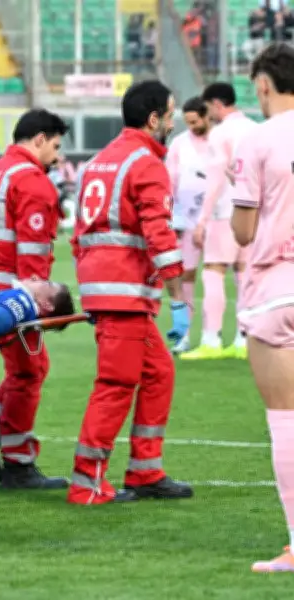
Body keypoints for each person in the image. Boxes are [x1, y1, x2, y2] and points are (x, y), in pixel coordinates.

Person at [68, 80, 193, 505]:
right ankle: (87, 483)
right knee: (116, 383)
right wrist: (178, 298)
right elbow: (159, 234)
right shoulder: (147, 163)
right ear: (154, 119)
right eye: (170, 114)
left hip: (108, 289)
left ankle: (145, 471)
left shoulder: (100, 161)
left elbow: (79, 232)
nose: (173, 123)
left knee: (158, 373)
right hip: (124, 292)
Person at [0, 109, 70, 489]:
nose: (56, 156)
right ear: (39, 139)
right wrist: (36, 305)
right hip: (11, 293)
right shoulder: (32, 182)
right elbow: (34, 257)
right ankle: (18, 462)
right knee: (29, 371)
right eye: (54, 146)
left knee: (27, 369)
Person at [228, 43, 294, 573]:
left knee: (285, 420)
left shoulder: (258, 139)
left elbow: (244, 230)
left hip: (278, 287)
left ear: (264, 85)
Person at [183, 82, 258, 360]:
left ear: (216, 104)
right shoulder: (255, 128)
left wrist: (202, 220)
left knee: (213, 270)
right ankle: (243, 339)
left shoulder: (220, 134)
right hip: (252, 211)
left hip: (224, 212)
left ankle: (211, 340)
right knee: (244, 274)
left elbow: (215, 179)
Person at [165, 96, 211, 353]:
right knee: (186, 276)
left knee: (225, 272)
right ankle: (183, 336)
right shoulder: (179, 145)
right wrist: (171, 217)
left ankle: (216, 335)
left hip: (219, 219)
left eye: (196, 121)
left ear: (207, 116)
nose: (192, 126)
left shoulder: (221, 140)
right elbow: (169, 183)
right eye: (188, 122)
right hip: (187, 221)